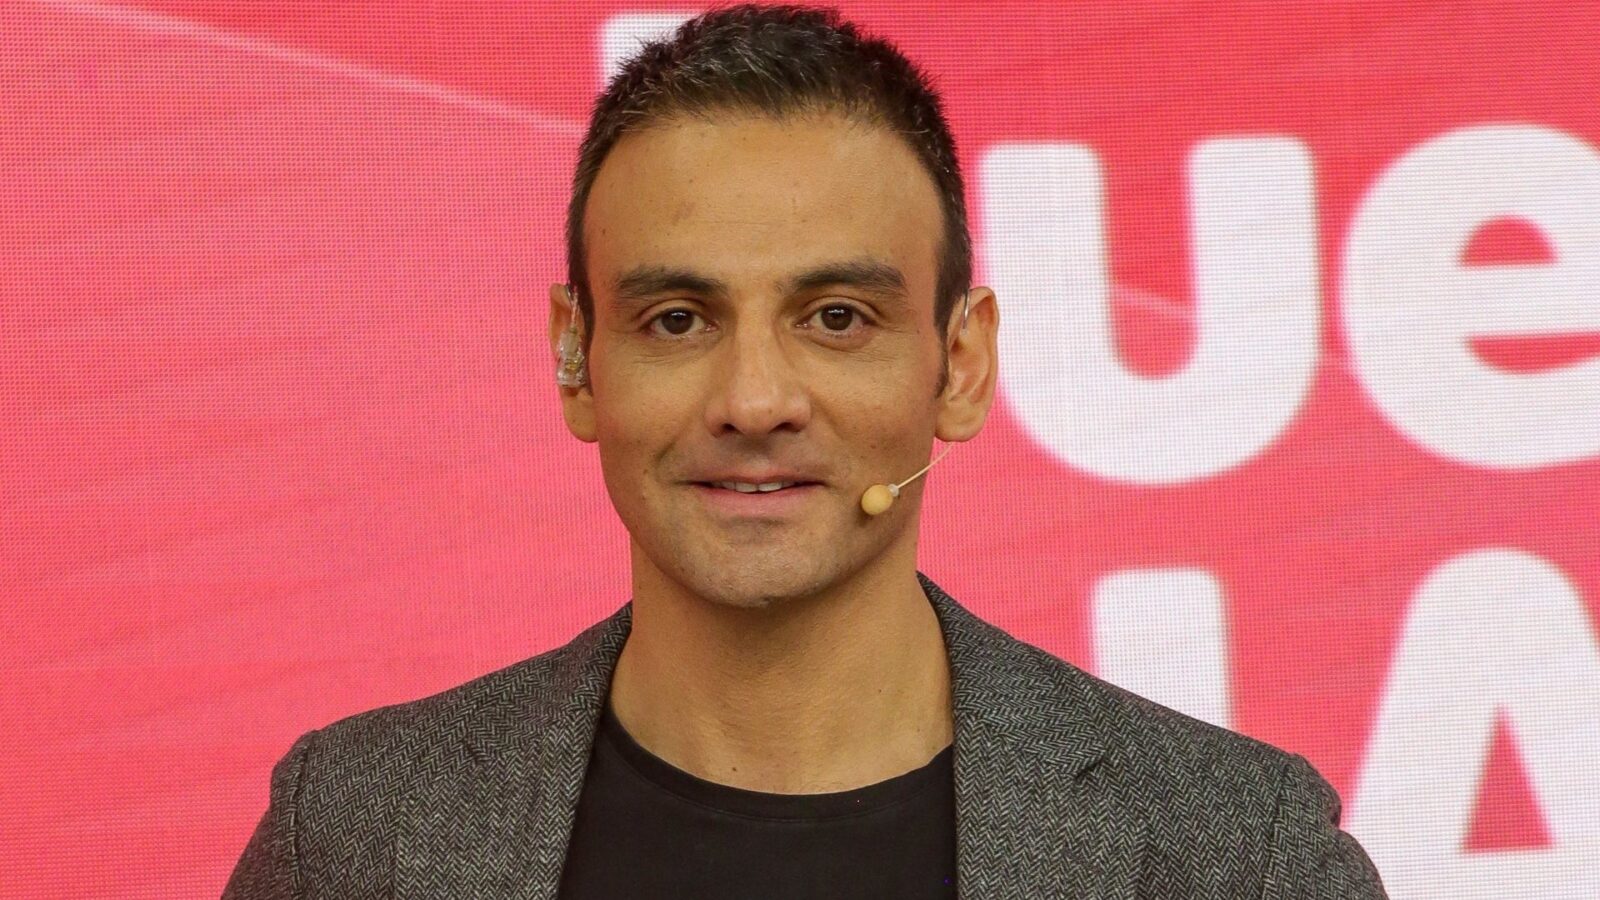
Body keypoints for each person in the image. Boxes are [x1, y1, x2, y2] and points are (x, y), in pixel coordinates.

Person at [222, 5, 1388, 898]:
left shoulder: (1238, 856)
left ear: (960, 364)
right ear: (576, 360)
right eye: (676, 319)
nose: (754, 400)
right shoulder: (356, 837)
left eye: (836, 317)